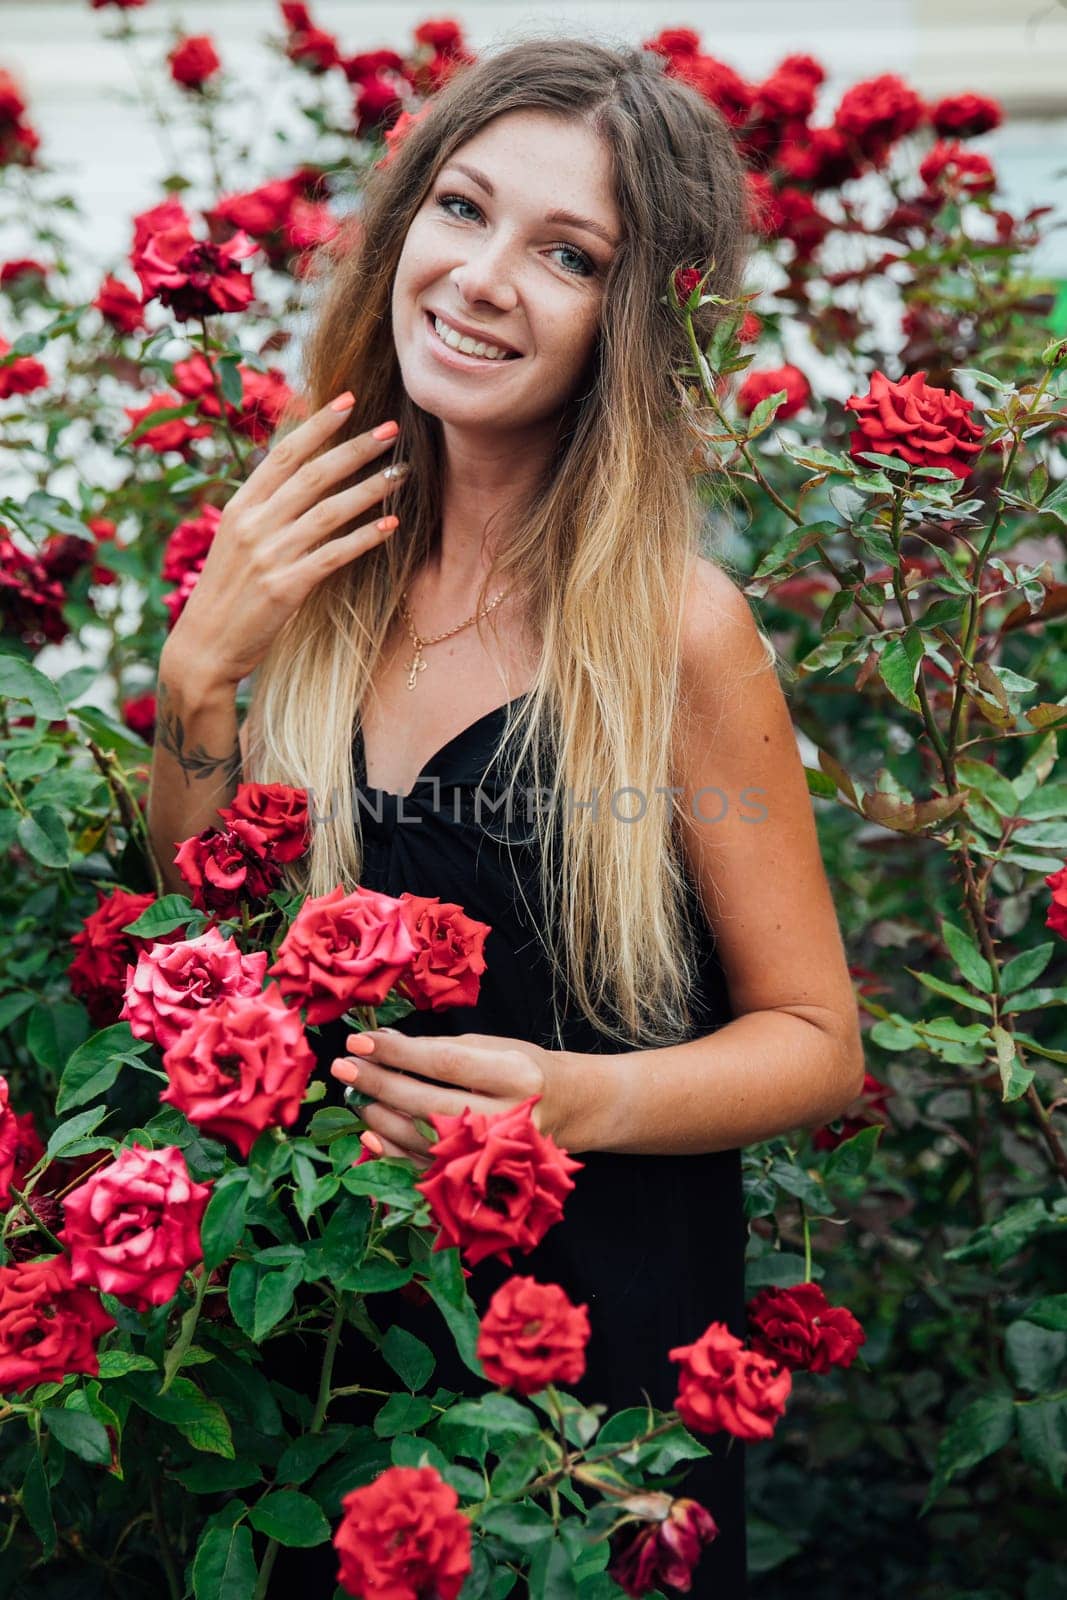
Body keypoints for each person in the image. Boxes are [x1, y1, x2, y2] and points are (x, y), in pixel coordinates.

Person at [147, 34, 866, 1597]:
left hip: (582, 1409)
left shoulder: (677, 630)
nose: (481, 279)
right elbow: (212, 932)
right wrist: (201, 674)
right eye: (461, 210)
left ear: (631, 317)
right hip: (317, 1361)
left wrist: (564, 1098)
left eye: (566, 253)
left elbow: (818, 1038)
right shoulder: (314, 563)